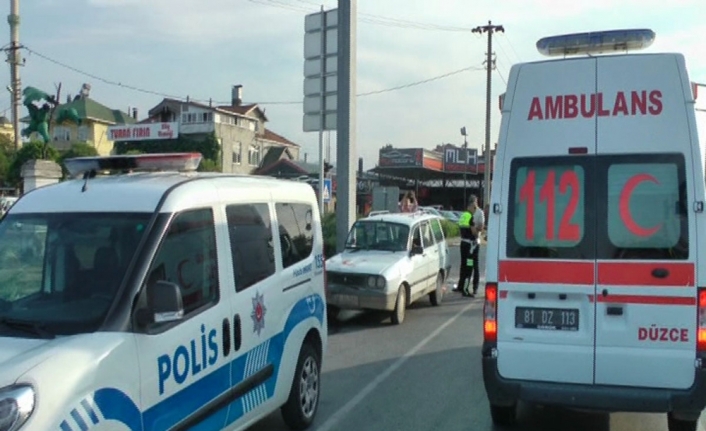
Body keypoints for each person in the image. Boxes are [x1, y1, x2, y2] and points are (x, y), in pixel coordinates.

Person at [456, 195, 484, 297]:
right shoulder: (470, 217)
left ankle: (462, 287)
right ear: (471, 206)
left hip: (463, 244)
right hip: (470, 247)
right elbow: (475, 233)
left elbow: (461, 229)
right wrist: (476, 230)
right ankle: (465, 289)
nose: (475, 209)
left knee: (464, 266)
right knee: (469, 266)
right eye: (474, 207)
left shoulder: (463, 215)